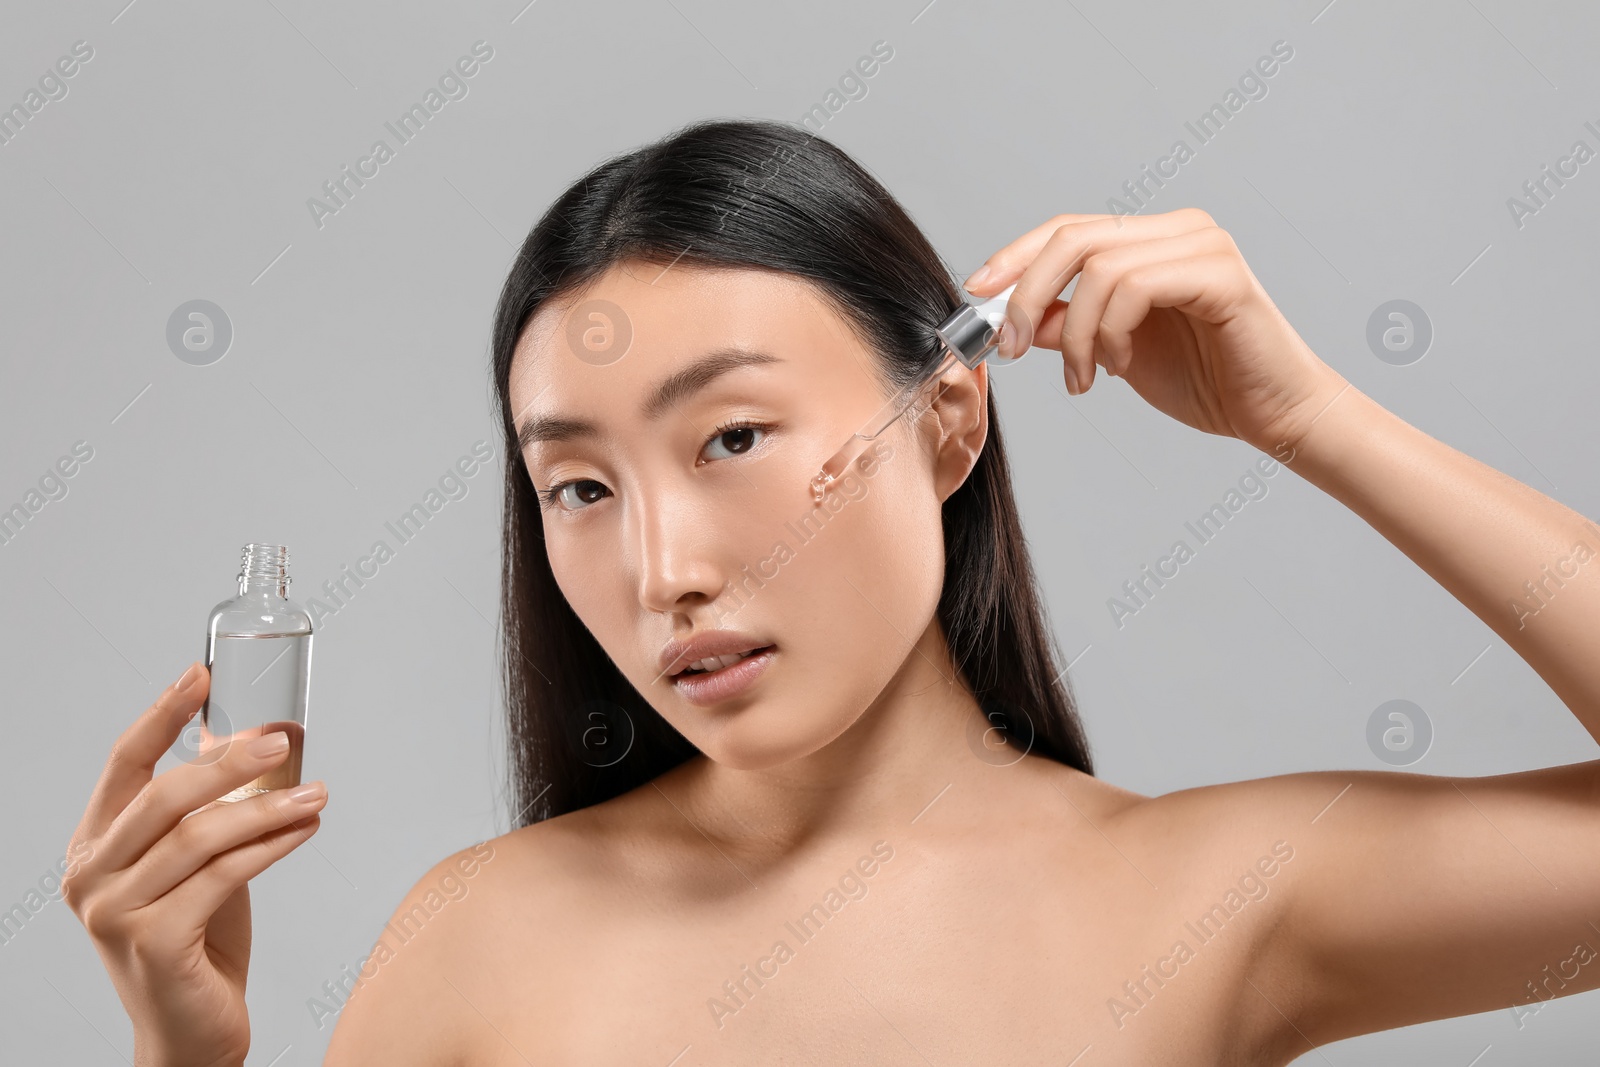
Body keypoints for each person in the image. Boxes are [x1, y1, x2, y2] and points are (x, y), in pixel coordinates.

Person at [63, 118, 1600, 1065]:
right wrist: (177, 1063)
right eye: (579, 488)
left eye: (732, 437)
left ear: (948, 420)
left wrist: (1307, 415)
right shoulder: (474, 941)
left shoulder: (1216, 904)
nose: (666, 569)